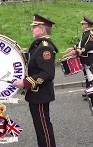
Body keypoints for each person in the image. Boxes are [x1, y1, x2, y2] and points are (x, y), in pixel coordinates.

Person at [13, 14, 58, 147]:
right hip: (36, 93)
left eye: (34, 27)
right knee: (40, 127)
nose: (31, 29)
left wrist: (25, 83)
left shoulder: (45, 47)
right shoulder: (39, 44)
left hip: (40, 94)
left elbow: (48, 73)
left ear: (42, 29)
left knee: (44, 128)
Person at [68, 16, 93, 99]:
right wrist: (74, 47)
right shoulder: (85, 33)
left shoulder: (91, 34)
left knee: (90, 75)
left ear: (87, 25)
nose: (81, 25)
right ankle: (89, 90)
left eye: (83, 24)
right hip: (85, 57)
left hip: (90, 57)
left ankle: (92, 92)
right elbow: (81, 43)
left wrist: (78, 51)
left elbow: (89, 46)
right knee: (86, 75)